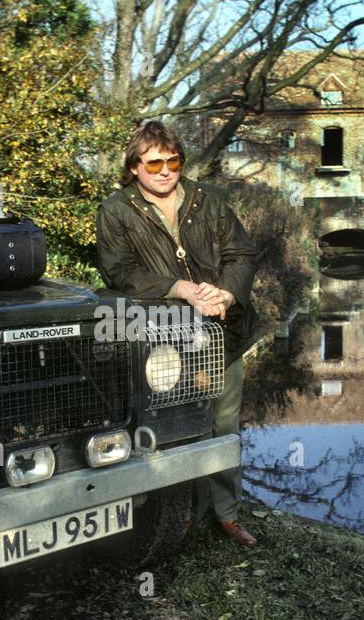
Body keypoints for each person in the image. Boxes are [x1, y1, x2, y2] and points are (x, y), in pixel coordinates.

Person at [95, 120, 260, 548]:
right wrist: (180, 288)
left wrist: (225, 292)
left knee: (224, 423)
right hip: (163, 339)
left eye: (174, 161)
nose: (166, 170)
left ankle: (225, 515)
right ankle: (182, 514)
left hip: (222, 331)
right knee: (175, 425)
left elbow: (241, 253)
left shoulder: (209, 201)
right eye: (154, 163)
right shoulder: (115, 211)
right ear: (134, 167)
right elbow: (119, 273)